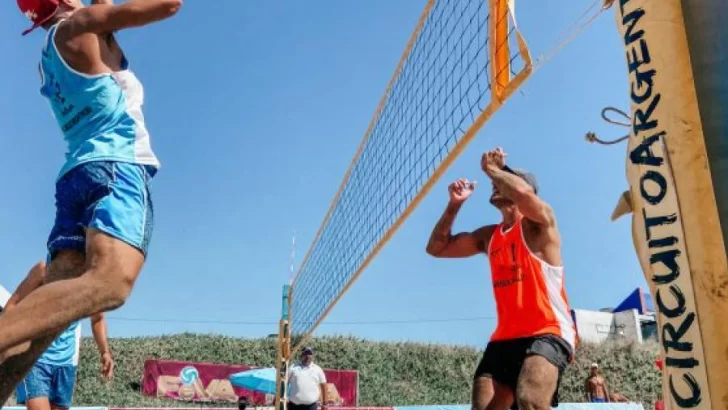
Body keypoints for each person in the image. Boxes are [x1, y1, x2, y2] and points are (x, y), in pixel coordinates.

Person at [0, 0, 182, 402]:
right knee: (112, 283)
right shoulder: (80, 25)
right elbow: (169, 6)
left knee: (41, 331)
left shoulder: (50, 54)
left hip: (77, 175)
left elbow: (106, 31)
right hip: (114, 167)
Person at [426, 148, 576, 410]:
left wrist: (494, 170)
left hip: (549, 330)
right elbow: (436, 249)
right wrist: (454, 205)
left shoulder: (540, 225)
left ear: (523, 188)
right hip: (505, 338)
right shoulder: (488, 236)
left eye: (505, 179)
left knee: (531, 400)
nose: (495, 184)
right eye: (495, 181)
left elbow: (525, 196)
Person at [8, 261, 114, 410]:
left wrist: (105, 352)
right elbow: (12, 306)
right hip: (34, 360)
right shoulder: (43, 271)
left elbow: (97, 318)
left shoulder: (90, 283)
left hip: (66, 363)